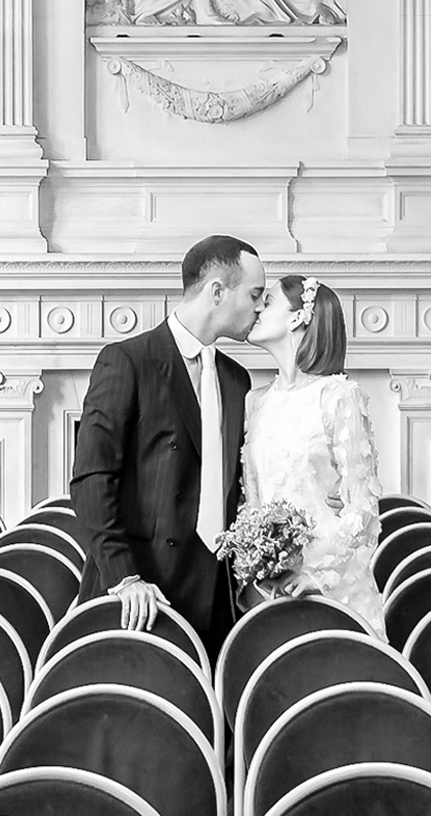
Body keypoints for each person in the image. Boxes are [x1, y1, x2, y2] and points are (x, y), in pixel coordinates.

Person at [71, 235, 264, 652]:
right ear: (217, 291)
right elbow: (91, 477)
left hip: (215, 598)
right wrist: (124, 578)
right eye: (254, 294)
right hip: (138, 596)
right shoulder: (128, 359)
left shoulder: (236, 380)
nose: (260, 306)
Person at [240, 274, 385, 638]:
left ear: (297, 318)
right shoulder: (256, 401)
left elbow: (363, 509)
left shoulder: (338, 395)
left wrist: (314, 574)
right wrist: (259, 565)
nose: (257, 307)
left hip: (331, 587)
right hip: (267, 587)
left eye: (268, 301)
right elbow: (254, 502)